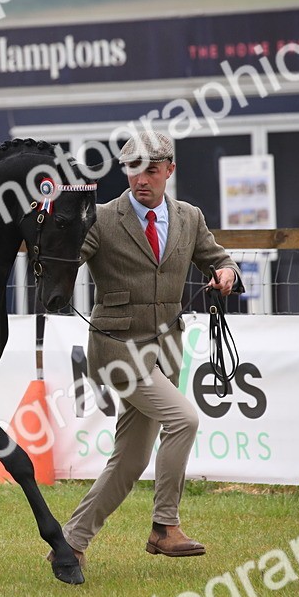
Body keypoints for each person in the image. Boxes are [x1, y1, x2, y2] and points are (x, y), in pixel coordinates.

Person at [58, 131, 239, 567]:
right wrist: (55, 225)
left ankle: (70, 543)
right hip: (117, 351)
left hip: (165, 353)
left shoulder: (189, 218)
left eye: (152, 170)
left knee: (131, 460)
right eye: (133, 169)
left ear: (169, 170)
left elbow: (218, 258)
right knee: (184, 419)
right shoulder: (101, 219)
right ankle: (164, 527)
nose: (142, 179)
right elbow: (64, 260)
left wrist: (227, 273)